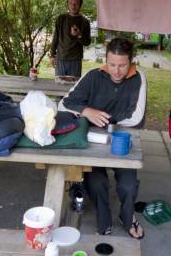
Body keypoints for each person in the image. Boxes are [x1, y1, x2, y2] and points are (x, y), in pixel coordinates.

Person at [59, 37, 146, 239]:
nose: (116, 71)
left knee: (128, 185)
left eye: (122, 65)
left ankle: (127, 217)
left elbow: (137, 119)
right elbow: (63, 105)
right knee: (96, 182)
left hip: (122, 137)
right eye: (112, 64)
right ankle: (103, 218)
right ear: (106, 60)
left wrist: (104, 119)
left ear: (131, 62)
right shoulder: (93, 76)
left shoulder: (138, 77)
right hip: (93, 140)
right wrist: (86, 110)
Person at [50, 0, 91, 78]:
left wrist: (79, 35)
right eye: (71, 3)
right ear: (67, 4)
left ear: (80, 5)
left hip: (75, 60)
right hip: (60, 59)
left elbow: (87, 42)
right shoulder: (61, 19)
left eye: (76, 4)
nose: (73, 6)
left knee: (73, 87)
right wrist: (52, 55)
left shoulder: (84, 22)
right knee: (59, 85)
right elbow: (55, 37)